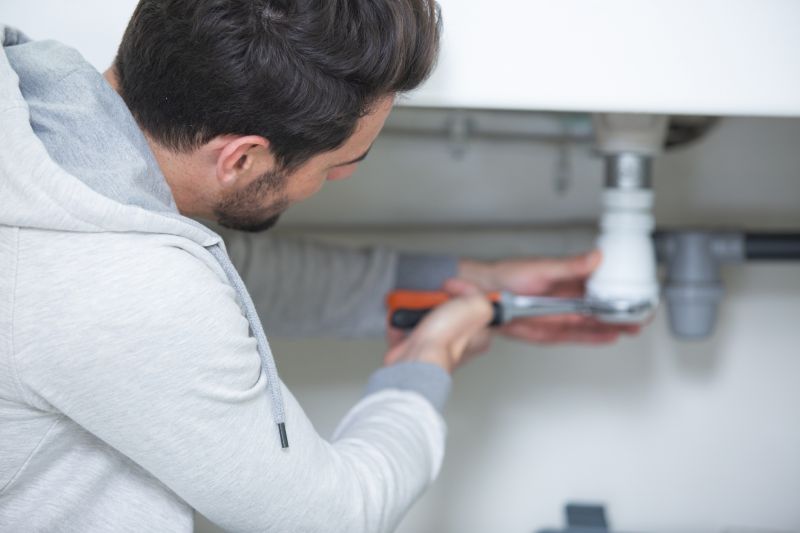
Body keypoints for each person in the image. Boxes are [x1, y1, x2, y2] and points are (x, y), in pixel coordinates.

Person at [0, 2, 637, 532]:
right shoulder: (123, 282)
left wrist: (468, 280)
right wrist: (427, 363)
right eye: (339, 164)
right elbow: (332, 515)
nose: (347, 175)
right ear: (241, 158)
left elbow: (207, 278)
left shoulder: (45, 127)